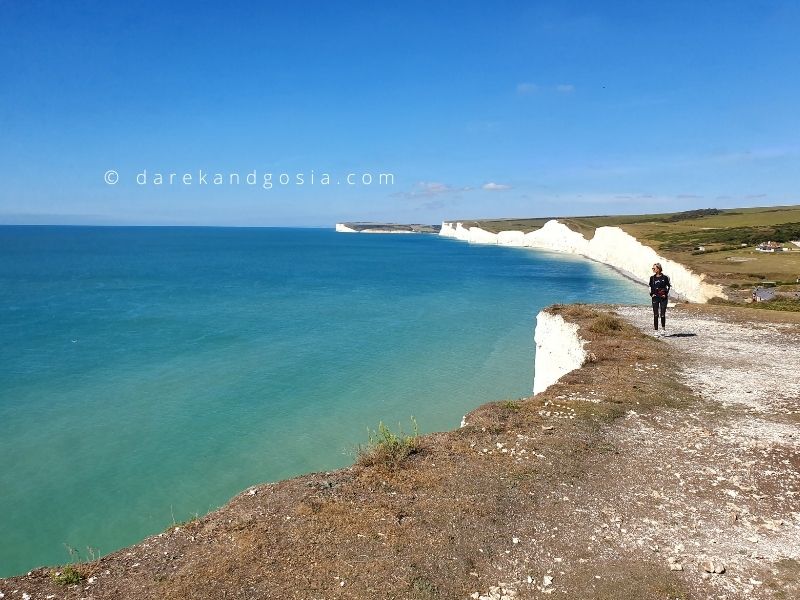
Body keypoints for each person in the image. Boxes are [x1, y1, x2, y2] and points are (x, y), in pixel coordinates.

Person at [649, 263, 671, 335]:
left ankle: (663, 329)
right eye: (653, 268)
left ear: (658, 269)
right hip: (655, 298)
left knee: (662, 314)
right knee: (655, 314)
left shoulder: (665, 277)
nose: (653, 269)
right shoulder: (652, 278)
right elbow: (650, 287)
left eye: (654, 268)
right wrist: (652, 294)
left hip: (663, 298)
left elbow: (668, 286)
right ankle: (656, 331)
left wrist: (665, 294)